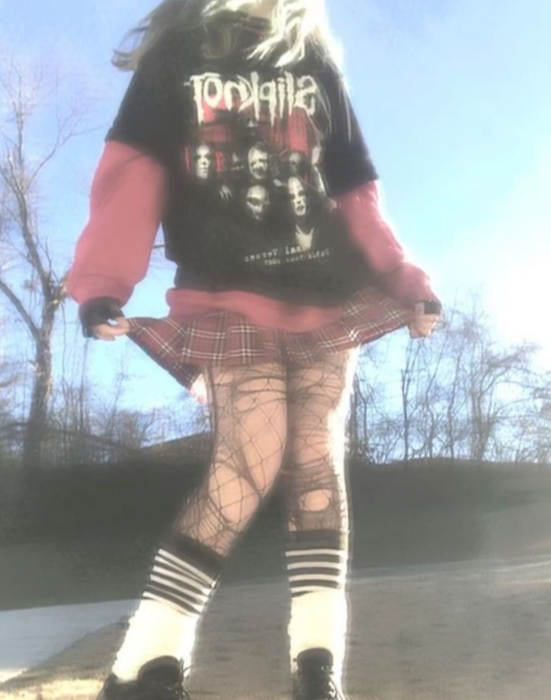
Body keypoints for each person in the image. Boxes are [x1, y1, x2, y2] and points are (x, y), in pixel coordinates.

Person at [65, 1, 442, 699]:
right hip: (226, 293)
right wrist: (101, 283)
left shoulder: (314, 62)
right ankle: (144, 662)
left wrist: (404, 279)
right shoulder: (178, 57)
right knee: (249, 458)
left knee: (316, 462)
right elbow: (133, 173)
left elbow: (356, 192)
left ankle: (317, 670)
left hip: (327, 293)